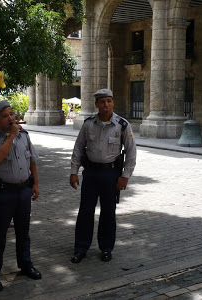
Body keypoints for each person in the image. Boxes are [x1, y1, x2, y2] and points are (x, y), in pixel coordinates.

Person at [69, 88, 136, 264]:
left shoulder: (122, 125)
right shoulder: (88, 124)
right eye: (102, 101)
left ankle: (106, 248)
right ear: (96, 104)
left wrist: (125, 176)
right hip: (90, 173)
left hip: (111, 174)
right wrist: (73, 172)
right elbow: (78, 148)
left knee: (108, 212)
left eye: (109, 101)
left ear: (113, 103)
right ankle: (81, 248)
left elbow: (131, 152)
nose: (106, 105)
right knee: (85, 211)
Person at [0, 100, 41, 292]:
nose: (11, 118)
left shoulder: (24, 135)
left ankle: (25, 264)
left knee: (23, 232)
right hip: (4, 192)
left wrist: (36, 184)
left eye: (11, 114)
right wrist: (12, 136)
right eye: (5, 116)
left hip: (23, 190)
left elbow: (32, 159)